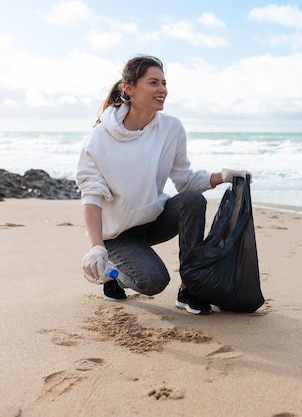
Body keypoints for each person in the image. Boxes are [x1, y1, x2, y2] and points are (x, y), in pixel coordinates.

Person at [76, 55, 249, 315]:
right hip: (119, 234)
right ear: (129, 88)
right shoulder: (99, 139)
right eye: (153, 82)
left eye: (164, 83)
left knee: (193, 200)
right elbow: (92, 196)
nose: (162, 90)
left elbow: (186, 182)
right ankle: (113, 275)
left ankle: (190, 288)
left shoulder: (172, 128)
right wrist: (96, 246)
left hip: (153, 221)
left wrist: (222, 176)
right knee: (153, 282)